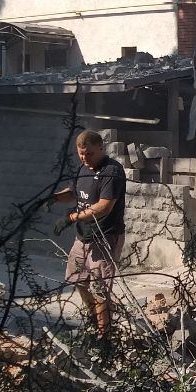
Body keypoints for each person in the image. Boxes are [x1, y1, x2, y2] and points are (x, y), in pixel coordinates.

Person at [52, 130, 127, 340]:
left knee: (100, 290)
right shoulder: (82, 169)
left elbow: (104, 206)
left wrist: (71, 218)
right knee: (78, 280)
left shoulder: (112, 171)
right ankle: (94, 322)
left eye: (90, 154)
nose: (85, 158)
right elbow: (73, 193)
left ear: (101, 148)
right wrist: (53, 198)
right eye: (81, 154)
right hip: (82, 237)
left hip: (105, 237)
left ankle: (105, 339)